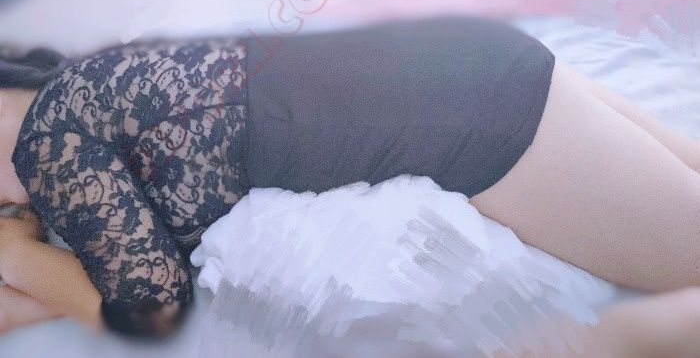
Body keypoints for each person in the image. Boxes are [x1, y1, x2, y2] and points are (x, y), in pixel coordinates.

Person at [0, 17, 698, 348]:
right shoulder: (83, 93)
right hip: (470, 63)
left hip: (476, 118)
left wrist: (15, 256)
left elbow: (153, 313)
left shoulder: (51, 141)